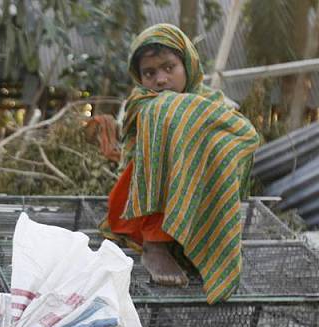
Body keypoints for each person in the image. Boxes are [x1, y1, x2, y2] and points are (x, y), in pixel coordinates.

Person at [102, 24, 260, 304]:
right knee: (170, 112)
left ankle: (204, 235)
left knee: (219, 139)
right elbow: (171, 117)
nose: (161, 79)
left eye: (169, 67)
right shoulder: (145, 103)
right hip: (138, 211)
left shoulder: (209, 102)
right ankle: (156, 244)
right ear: (139, 78)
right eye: (149, 73)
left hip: (191, 201)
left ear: (188, 64)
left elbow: (246, 135)